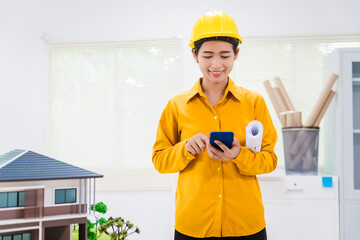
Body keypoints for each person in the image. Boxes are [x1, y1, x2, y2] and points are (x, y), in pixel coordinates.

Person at [152, 10, 277, 240]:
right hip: (194, 225)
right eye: (208, 55)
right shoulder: (177, 105)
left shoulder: (254, 102)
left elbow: (270, 161)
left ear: (236, 54)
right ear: (195, 54)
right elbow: (159, 160)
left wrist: (239, 155)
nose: (216, 64)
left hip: (246, 224)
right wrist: (186, 148)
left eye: (225, 55)